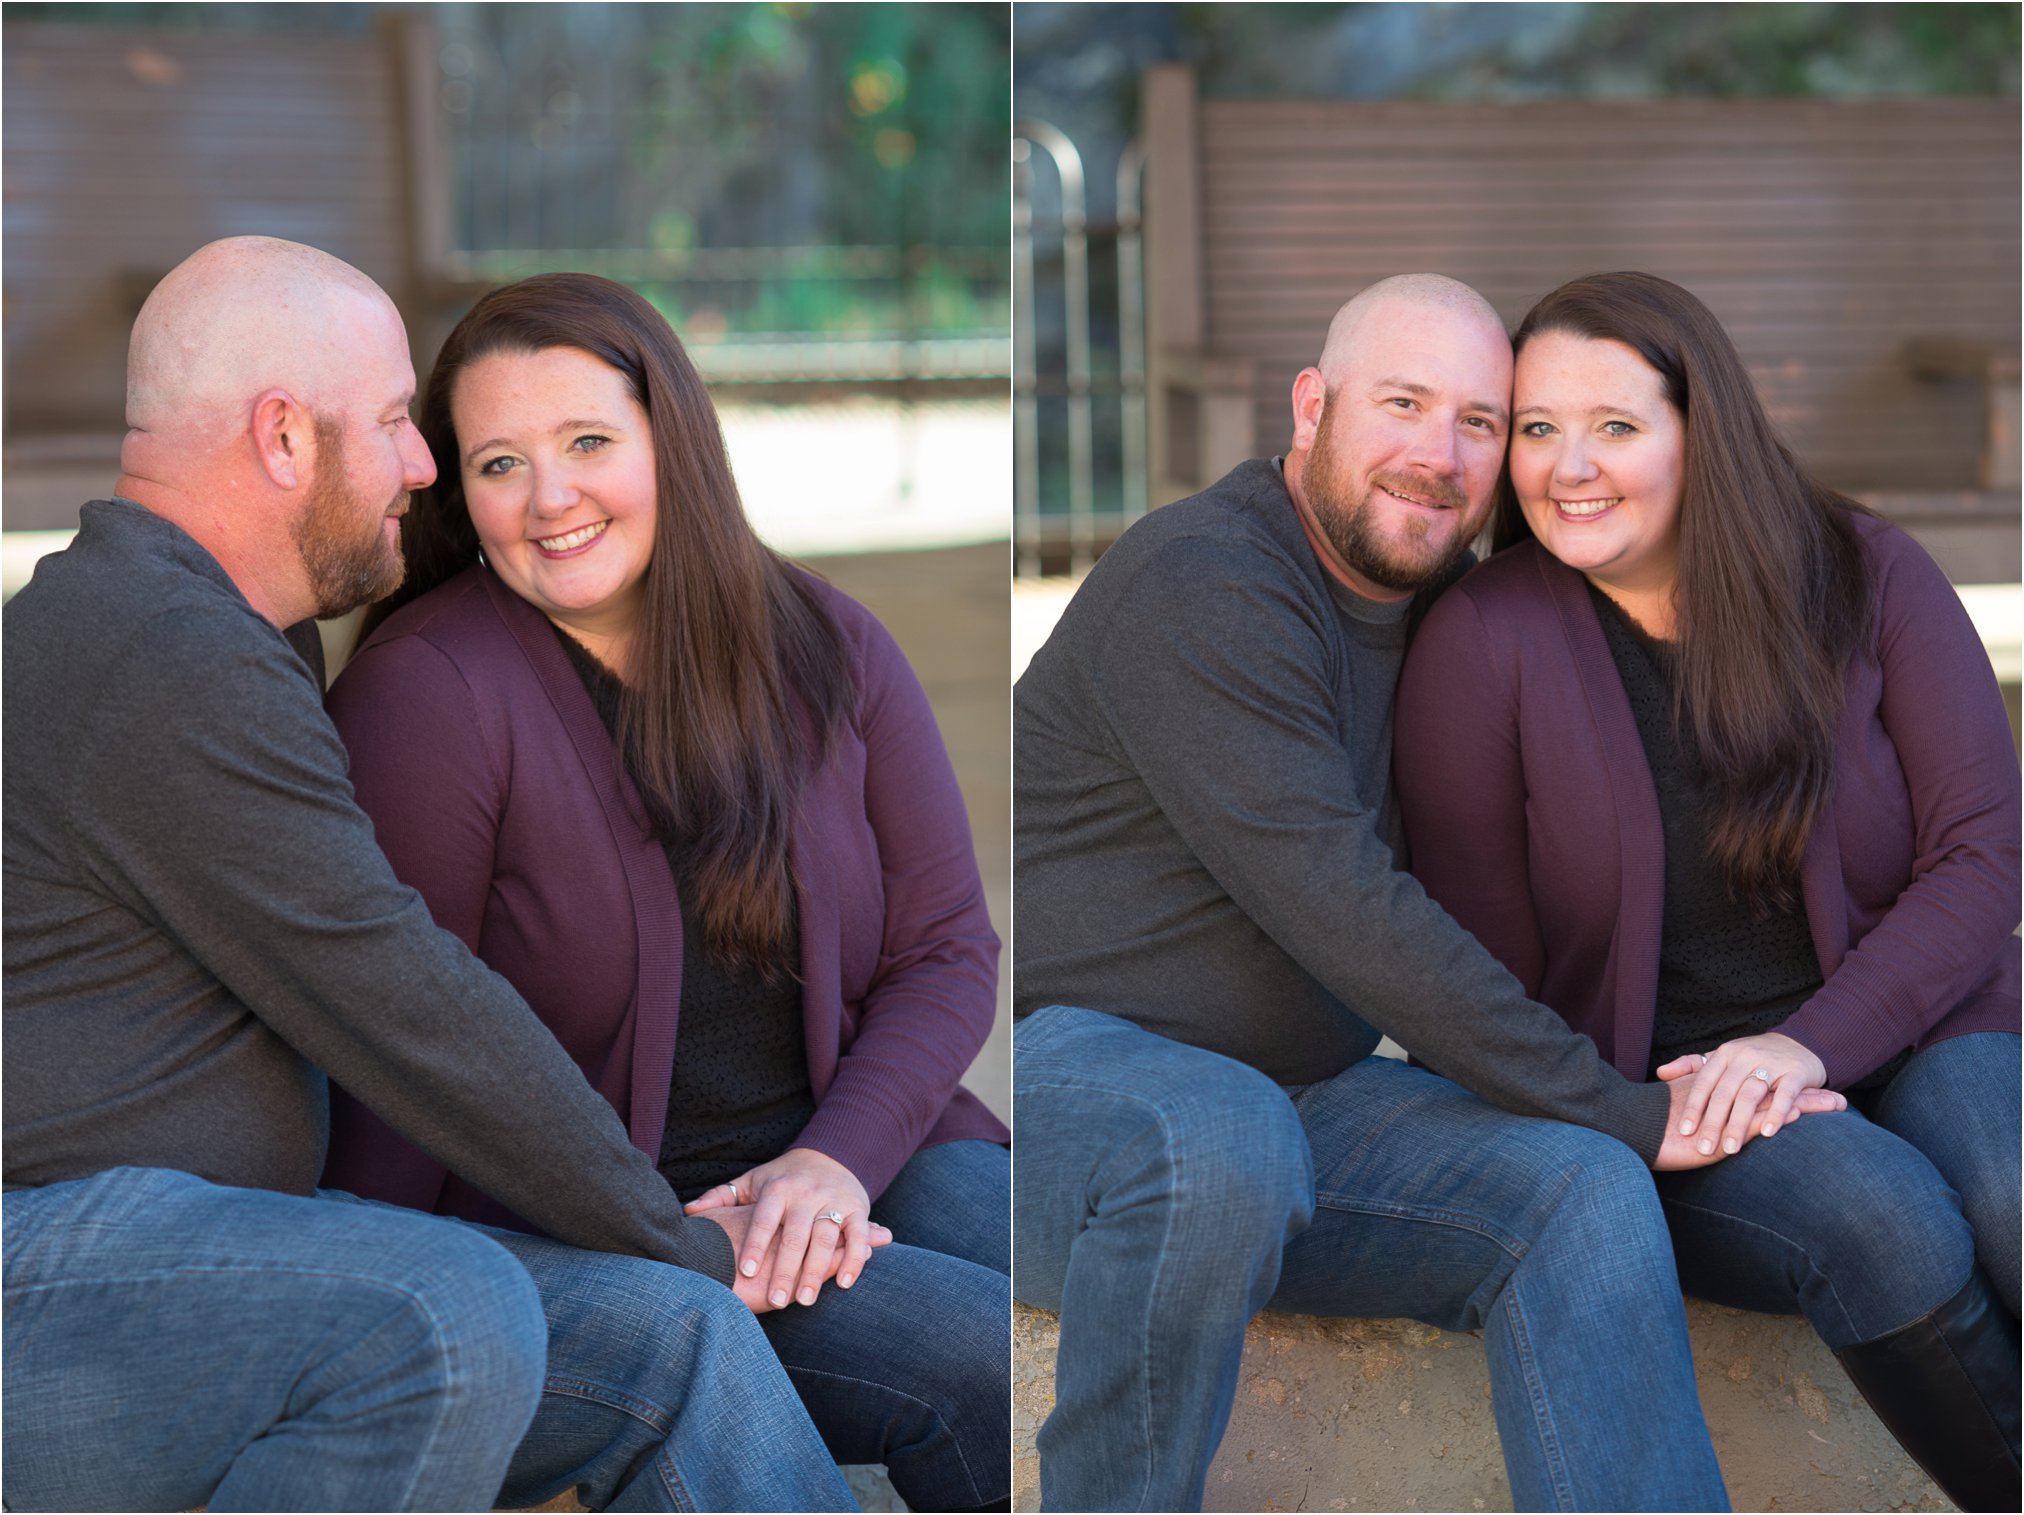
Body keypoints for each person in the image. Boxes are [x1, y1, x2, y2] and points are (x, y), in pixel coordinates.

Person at [3, 236, 865, 1514]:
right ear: (284, 437)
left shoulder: (227, 627)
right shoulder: (160, 654)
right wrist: (675, 1230)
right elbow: (409, 1004)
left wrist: (666, 1265)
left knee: (668, 1338)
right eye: (401, 421)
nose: (425, 466)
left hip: (230, 1278)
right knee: (440, 1311)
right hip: (50, 1284)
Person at [1012, 272, 1850, 1513]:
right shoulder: (1202, 580)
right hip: (1069, 1091)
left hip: (1305, 1103)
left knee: (1575, 1185)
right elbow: (1346, 905)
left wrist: (1762, 1052)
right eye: (1401, 404)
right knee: (1216, 1138)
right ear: (1311, 407)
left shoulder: (1453, 613)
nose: (1436, 455)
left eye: (1477, 422)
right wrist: (1616, 1101)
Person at [317, 271, 1011, 1513]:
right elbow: (400, 1058)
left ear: (670, 439)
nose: (551, 499)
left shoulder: (821, 640)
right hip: (598, 1232)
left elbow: (946, 948)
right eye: (498, 464)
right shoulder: (429, 696)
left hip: (840, 1148)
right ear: (458, 493)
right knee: (975, 1349)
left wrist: (832, 1163)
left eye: (589, 442)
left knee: (1056, 1261)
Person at [1394, 270, 2021, 1510]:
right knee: (1880, 1221)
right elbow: (1477, 981)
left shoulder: (1863, 572)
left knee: (2011, 1185)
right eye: (1535, 429)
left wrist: (1804, 1045)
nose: (1566, 467)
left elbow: (1980, 857)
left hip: (1919, 1025)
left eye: (1615, 427)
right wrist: (1628, 1113)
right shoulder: (1480, 641)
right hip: (1675, 1105)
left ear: (1701, 432)